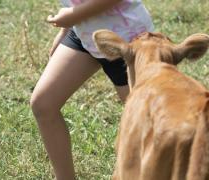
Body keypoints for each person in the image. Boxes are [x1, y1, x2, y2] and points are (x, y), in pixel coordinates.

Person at [30, 0, 154, 179]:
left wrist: (72, 16)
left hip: (128, 41)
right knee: (44, 104)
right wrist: (65, 30)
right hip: (84, 35)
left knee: (145, 123)